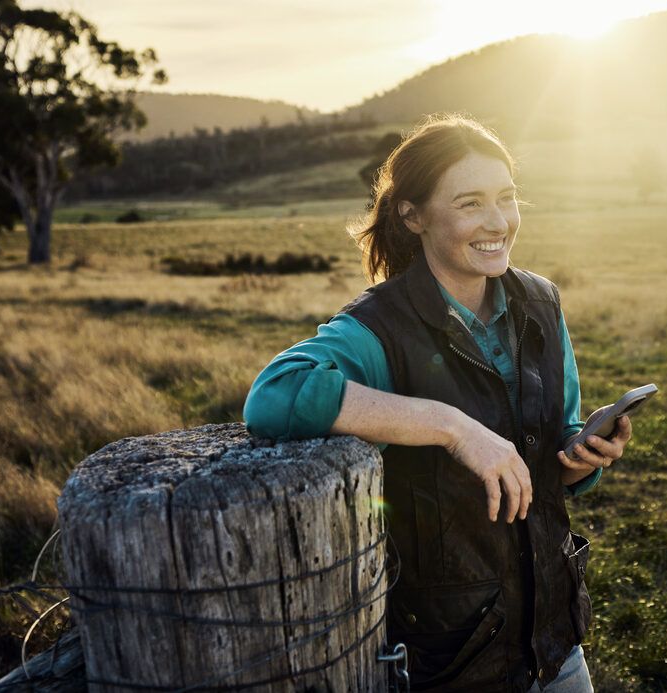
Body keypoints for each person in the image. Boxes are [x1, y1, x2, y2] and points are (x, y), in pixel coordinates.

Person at [243, 113, 634, 692]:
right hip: (449, 660)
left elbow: (559, 439)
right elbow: (274, 395)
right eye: (470, 203)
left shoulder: (542, 303)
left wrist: (579, 458)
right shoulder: (378, 329)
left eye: (506, 197)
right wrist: (449, 425)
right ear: (413, 215)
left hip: (554, 641)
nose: (498, 221)